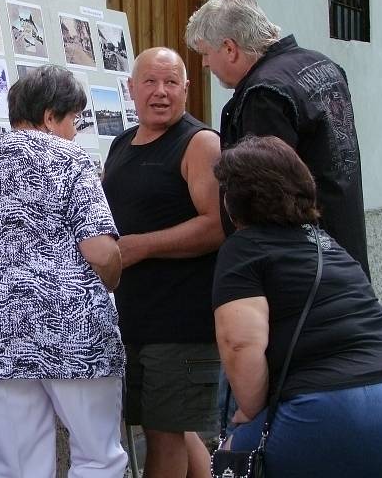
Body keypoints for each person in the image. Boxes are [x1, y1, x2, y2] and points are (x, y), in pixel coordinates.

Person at [212, 135, 382, 477]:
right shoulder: (329, 246)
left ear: (234, 200)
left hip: (333, 407)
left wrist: (249, 414)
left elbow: (240, 343)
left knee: (233, 458)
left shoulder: (243, 248)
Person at [0, 64, 127, 478]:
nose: (75, 131)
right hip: (72, 332)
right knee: (97, 456)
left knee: (19, 466)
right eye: (73, 120)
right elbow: (99, 249)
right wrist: (112, 277)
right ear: (49, 117)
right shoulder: (71, 160)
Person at [185, 0, 370, 278]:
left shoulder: (264, 95)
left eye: (206, 54)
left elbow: (267, 202)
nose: (205, 64)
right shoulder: (322, 64)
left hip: (302, 270)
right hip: (342, 252)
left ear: (230, 49)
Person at [101, 47, 224, 478]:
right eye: (150, 82)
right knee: (172, 428)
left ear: (187, 90)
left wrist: (141, 247)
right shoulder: (120, 144)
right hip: (135, 316)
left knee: (164, 434)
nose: (160, 92)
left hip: (182, 320)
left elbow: (216, 226)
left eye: (171, 82)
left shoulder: (200, 143)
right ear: (130, 89)